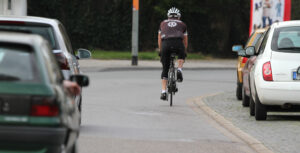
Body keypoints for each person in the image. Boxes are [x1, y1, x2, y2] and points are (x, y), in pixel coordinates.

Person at [158, 7, 188, 100]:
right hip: (178, 43)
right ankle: (179, 69)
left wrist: (160, 50)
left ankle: (163, 92)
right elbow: (185, 41)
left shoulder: (162, 23)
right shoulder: (182, 24)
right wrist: (184, 52)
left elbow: (159, 39)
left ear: (168, 16)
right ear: (178, 17)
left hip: (165, 44)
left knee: (165, 68)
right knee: (181, 53)